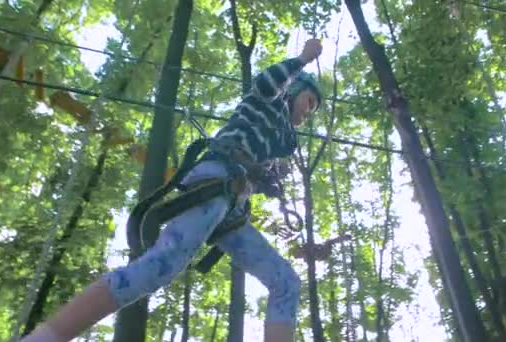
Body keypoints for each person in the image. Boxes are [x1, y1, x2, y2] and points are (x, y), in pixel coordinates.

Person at [21, 38, 323, 342]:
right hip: (216, 178)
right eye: (310, 101)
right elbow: (266, 83)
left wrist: (266, 178)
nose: (310, 112)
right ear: (295, 89)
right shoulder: (267, 99)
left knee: (285, 282)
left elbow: (283, 142)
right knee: (158, 267)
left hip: (231, 203)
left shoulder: (276, 135)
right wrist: (302, 59)